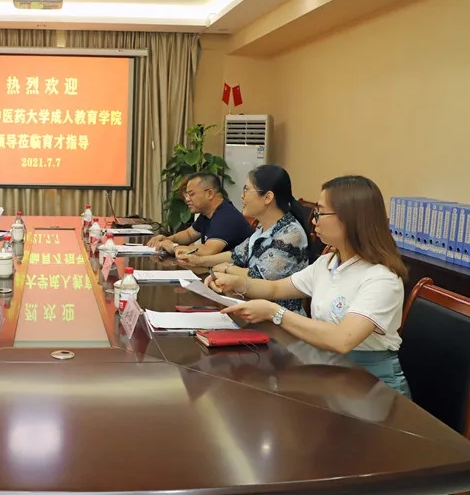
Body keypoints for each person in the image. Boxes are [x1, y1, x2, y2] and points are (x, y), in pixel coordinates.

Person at [209, 175, 411, 397]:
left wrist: (275, 313)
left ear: (349, 218)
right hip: (332, 373)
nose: (314, 221)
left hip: (372, 387)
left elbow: (342, 339)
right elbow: (275, 289)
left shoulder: (381, 278)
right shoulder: (328, 262)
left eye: (320, 213)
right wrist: (238, 283)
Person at [177, 165, 309, 314]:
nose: (242, 196)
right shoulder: (264, 227)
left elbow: (260, 279)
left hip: (280, 317)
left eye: (246, 190)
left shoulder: (290, 234)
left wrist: (227, 268)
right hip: (252, 306)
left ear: (267, 197)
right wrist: (199, 261)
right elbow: (236, 255)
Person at [147, 172, 252, 256]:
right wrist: (168, 239)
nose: (187, 199)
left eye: (191, 194)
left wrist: (173, 247)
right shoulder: (207, 213)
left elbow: (208, 251)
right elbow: (189, 234)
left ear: (209, 193)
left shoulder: (226, 216)